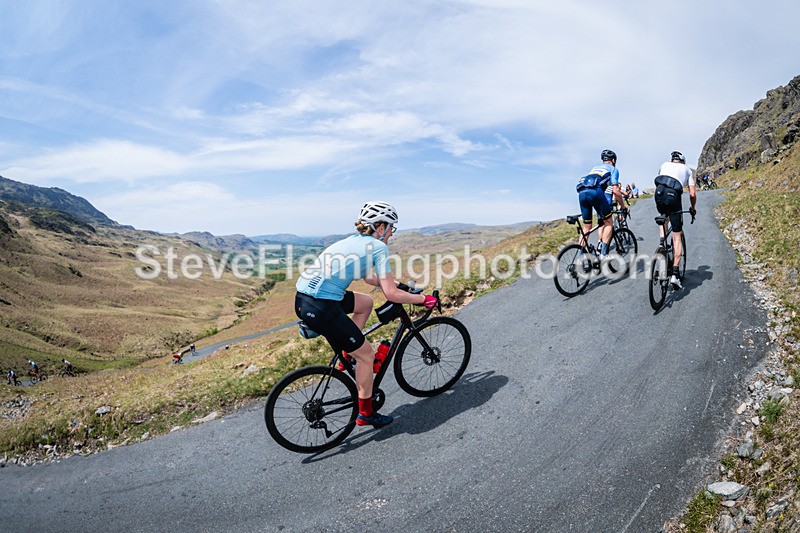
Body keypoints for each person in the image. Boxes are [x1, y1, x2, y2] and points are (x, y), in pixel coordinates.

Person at [295, 201, 438, 429]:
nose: (392, 233)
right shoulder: (379, 247)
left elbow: (371, 279)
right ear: (380, 227)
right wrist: (424, 300)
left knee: (365, 302)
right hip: (323, 306)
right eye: (391, 227)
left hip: (304, 299)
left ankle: (347, 353)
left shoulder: (351, 242)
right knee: (367, 356)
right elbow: (390, 295)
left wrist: (403, 286)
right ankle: (366, 413)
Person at [654, 150, 697, 290]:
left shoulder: (664, 165)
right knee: (677, 235)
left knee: (664, 217)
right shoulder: (687, 170)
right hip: (674, 196)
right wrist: (692, 207)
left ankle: (662, 244)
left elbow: (657, 185)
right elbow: (692, 193)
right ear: (683, 161)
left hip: (659, 193)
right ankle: (675, 274)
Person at [576, 149, 623, 259]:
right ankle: (603, 254)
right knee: (609, 222)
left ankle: (578, 258)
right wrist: (623, 206)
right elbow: (616, 191)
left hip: (582, 192)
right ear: (613, 160)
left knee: (586, 227)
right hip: (595, 192)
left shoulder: (594, 169)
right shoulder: (613, 169)